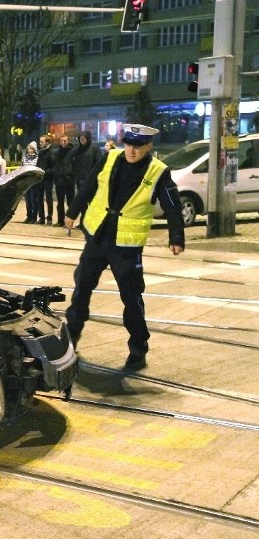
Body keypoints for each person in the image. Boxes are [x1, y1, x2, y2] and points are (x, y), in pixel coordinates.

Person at [63, 124, 185, 372]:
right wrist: (72, 211)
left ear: (149, 146)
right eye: (129, 144)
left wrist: (176, 237)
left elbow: (172, 205)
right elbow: (89, 186)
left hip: (126, 248)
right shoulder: (109, 158)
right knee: (81, 289)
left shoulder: (158, 171)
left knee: (131, 298)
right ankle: (69, 340)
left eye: (138, 146)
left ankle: (138, 348)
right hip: (97, 237)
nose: (132, 150)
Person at [70, 130, 102, 199]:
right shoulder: (77, 150)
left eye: (84, 139)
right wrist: (76, 174)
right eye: (80, 139)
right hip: (80, 180)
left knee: (92, 200)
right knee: (82, 201)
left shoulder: (94, 149)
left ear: (88, 138)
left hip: (91, 180)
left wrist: (94, 175)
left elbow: (99, 163)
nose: (82, 140)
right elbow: (74, 163)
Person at [53, 134, 75, 226]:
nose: (63, 142)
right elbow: (55, 165)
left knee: (71, 202)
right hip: (59, 181)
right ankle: (60, 221)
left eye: (65, 140)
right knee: (60, 203)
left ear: (68, 140)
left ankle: (70, 221)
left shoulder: (73, 151)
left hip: (69, 180)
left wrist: (71, 174)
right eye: (61, 140)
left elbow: (75, 165)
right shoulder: (57, 152)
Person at [34, 134, 56, 224]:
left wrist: (46, 172)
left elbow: (54, 167)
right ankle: (41, 217)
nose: (40, 143)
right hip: (40, 178)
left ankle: (49, 217)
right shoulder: (40, 152)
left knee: (48, 198)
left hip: (48, 179)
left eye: (42, 142)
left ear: (47, 142)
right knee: (39, 198)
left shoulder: (51, 153)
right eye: (40, 141)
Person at [21, 142, 39, 223]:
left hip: (33, 182)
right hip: (25, 182)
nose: (29, 150)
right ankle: (29, 216)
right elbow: (21, 168)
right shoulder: (24, 158)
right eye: (28, 148)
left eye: (31, 148)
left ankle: (34, 217)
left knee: (33, 200)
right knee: (27, 200)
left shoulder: (37, 158)